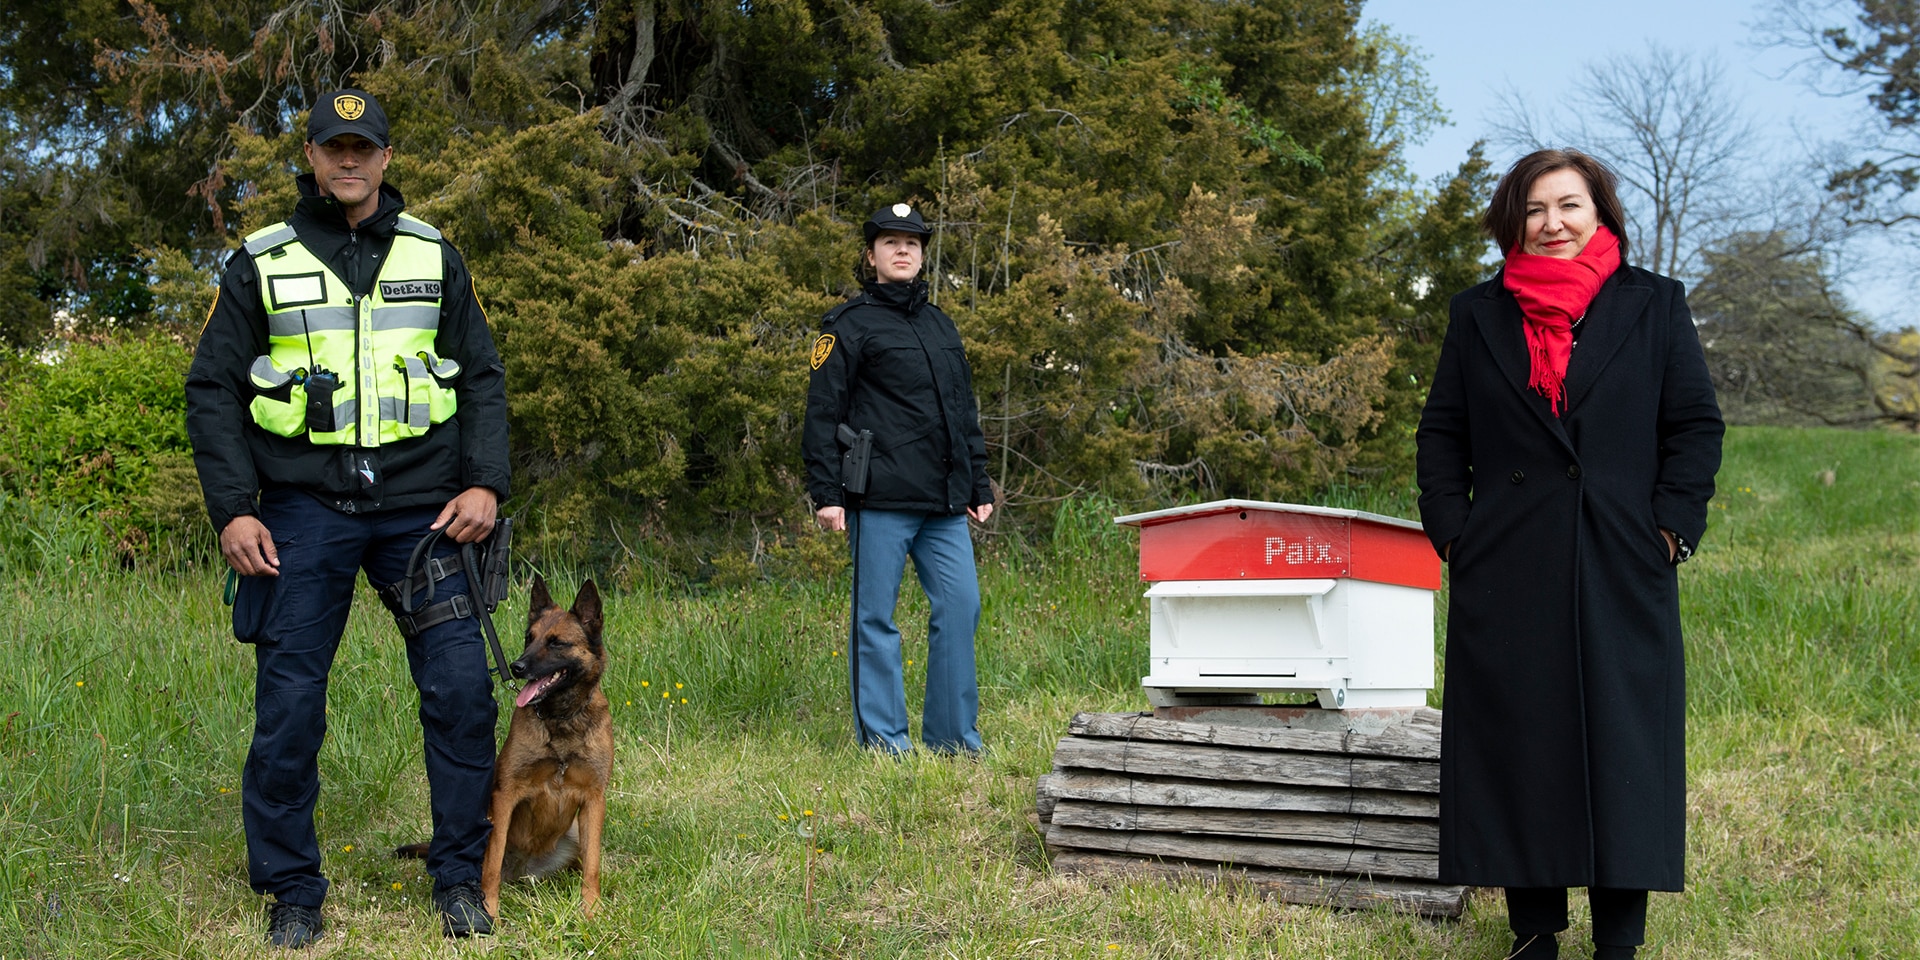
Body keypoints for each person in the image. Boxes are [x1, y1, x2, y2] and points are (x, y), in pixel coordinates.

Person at [185, 89, 510, 947]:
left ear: (386, 159)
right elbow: (211, 389)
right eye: (335, 148)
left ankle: (459, 880)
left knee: (462, 693)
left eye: (364, 148)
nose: (350, 161)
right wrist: (232, 511)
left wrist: (486, 485)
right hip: (301, 510)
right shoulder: (261, 259)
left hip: (424, 511)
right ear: (313, 155)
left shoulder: (435, 255)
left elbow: (480, 376)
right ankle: (293, 892)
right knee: (290, 706)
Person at [1415, 149, 1723, 960]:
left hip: (1622, 554)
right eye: (1534, 209)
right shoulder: (1477, 313)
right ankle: (1534, 933)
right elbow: (1443, 431)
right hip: (1509, 559)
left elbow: (1694, 425)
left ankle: (1619, 940)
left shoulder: (1654, 305)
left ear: (1600, 213)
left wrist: (1672, 524)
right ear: (1511, 222)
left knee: (1624, 744)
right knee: (1523, 741)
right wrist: (1455, 530)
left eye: (1569, 206)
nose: (1552, 223)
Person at [803, 203, 995, 755]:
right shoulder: (847, 325)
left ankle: (954, 740)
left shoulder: (940, 324)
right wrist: (826, 493)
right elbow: (822, 412)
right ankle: (886, 744)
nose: (903, 250)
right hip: (879, 499)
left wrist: (977, 485)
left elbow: (963, 412)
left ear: (922, 254)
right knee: (875, 620)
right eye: (890, 242)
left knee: (962, 608)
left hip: (943, 503)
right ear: (872, 256)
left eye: (911, 242)